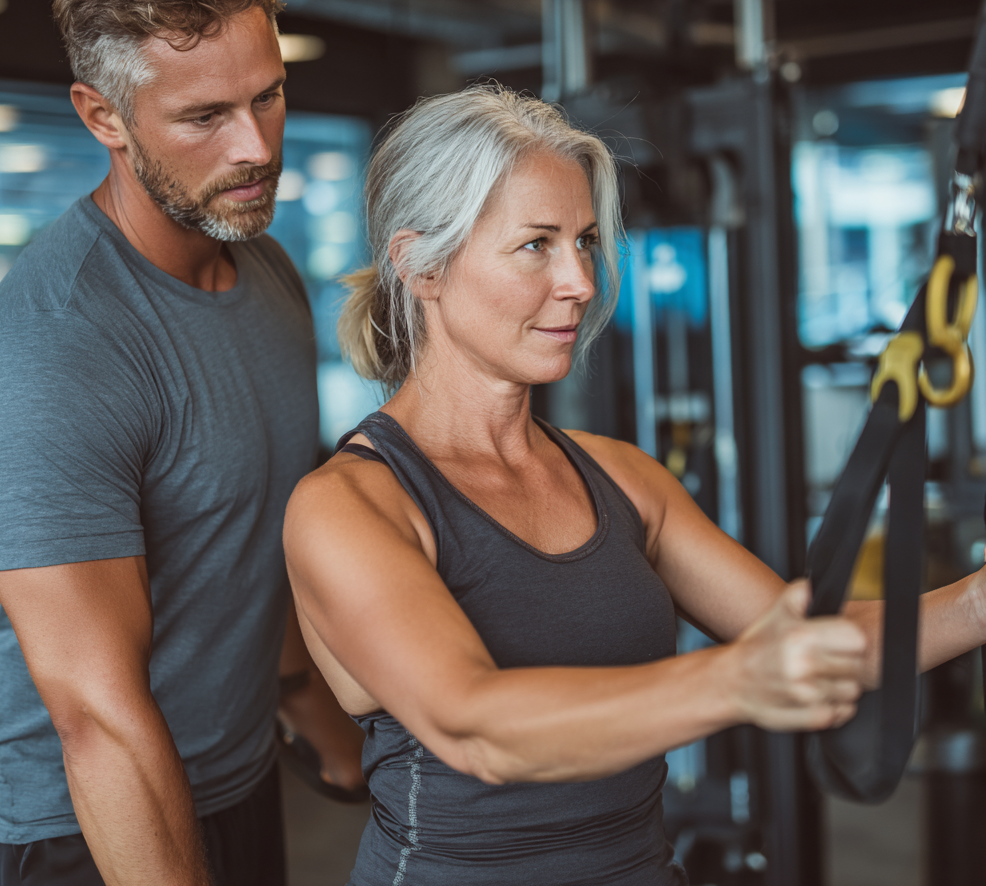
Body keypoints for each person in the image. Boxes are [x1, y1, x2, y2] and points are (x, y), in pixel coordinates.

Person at [284, 85, 986, 886]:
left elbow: (806, 641)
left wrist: (976, 603)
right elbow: (474, 727)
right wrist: (736, 679)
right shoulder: (349, 507)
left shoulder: (621, 477)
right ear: (421, 265)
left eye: (583, 242)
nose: (580, 281)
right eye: (536, 245)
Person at [0, 0, 363, 886]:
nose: (255, 146)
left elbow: (245, 537)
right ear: (103, 117)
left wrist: (324, 726)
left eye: (267, 98)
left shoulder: (264, 270)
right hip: (80, 822)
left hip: (233, 779)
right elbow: (95, 717)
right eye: (203, 117)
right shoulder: (57, 347)